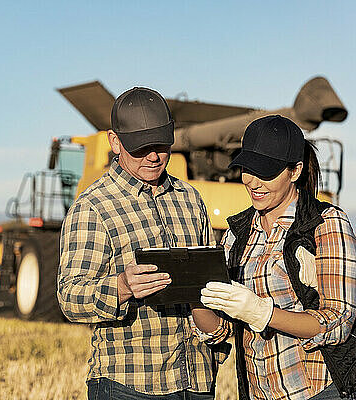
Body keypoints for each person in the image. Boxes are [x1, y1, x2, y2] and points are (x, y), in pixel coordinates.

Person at [193, 115, 356, 400]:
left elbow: (338, 321)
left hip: (326, 389)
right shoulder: (236, 235)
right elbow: (221, 330)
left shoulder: (326, 224)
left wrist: (263, 314)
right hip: (263, 393)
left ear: (295, 170)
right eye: (247, 169)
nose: (252, 181)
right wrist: (191, 294)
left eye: (266, 172)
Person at [57, 87, 231, 399]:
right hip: (130, 384)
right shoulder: (93, 207)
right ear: (114, 141)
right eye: (140, 147)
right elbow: (69, 297)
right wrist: (121, 286)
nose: (153, 156)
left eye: (161, 145)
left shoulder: (191, 199)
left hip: (197, 380)